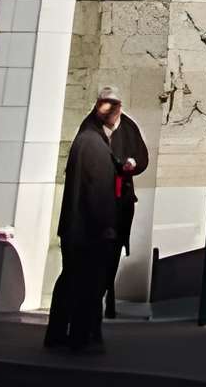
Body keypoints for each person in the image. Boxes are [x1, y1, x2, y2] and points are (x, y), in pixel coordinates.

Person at [46, 99, 120, 354]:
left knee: (70, 280)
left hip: (76, 229)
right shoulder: (94, 145)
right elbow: (97, 192)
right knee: (87, 285)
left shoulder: (85, 139)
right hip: (89, 232)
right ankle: (80, 337)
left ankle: (58, 334)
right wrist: (106, 228)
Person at [104, 103, 149, 320]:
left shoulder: (127, 127)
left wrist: (131, 165)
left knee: (113, 250)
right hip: (105, 203)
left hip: (120, 201)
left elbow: (141, 158)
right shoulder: (93, 132)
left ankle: (108, 298)